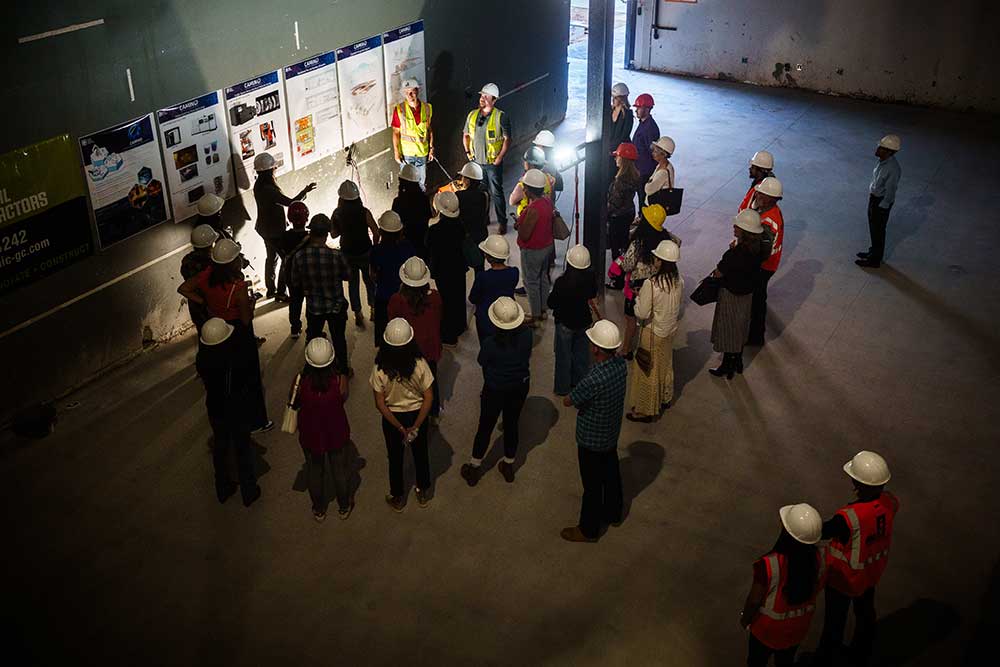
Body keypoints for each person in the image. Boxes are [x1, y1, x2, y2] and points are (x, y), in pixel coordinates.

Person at [178, 238, 272, 433]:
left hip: (219, 327)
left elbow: (183, 288)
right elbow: (245, 319)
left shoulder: (206, 275)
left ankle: (231, 416)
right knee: (250, 376)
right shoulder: (238, 287)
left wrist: (204, 302)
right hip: (239, 331)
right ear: (233, 262)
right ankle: (257, 422)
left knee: (229, 374)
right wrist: (251, 303)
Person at [816, 451, 899, 666]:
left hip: (843, 580)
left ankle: (825, 660)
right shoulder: (889, 502)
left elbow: (821, 531)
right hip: (870, 574)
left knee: (834, 624)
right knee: (865, 615)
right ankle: (861, 655)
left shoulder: (849, 517)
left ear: (858, 483)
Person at [561, 320, 628, 543]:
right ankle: (613, 512)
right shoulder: (621, 365)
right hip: (611, 432)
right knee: (611, 473)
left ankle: (588, 529)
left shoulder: (593, 379)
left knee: (591, 486)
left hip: (591, 439)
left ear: (596, 349)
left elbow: (569, 401)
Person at [740, 504, 827, 667]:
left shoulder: (769, 565)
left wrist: (745, 618)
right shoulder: (820, 559)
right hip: (798, 629)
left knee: (756, 662)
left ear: (787, 532)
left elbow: (754, 600)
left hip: (766, 632)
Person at [460, 297, 532, 486]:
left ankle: (474, 466)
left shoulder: (490, 343)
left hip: (494, 389)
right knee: (512, 424)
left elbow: (481, 361)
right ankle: (508, 464)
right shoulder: (527, 335)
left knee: (485, 426)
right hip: (519, 386)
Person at [371, 318, 435, 511]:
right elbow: (429, 397)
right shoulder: (420, 364)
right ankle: (422, 491)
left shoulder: (379, 368)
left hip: (393, 417)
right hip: (417, 414)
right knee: (421, 453)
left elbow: (379, 403)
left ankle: (398, 496)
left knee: (395, 456)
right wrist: (416, 425)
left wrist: (399, 426)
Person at [195, 318, 261, 507]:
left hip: (215, 407)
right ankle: (249, 491)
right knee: (243, 448)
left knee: (220, 446)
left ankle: (222, 488)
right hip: (237, 407)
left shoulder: (202, 360)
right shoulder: (235, 357)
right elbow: (247, 379)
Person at [292, 337, 352, 522]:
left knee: (314, 470)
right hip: (335, 430)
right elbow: (344, 398)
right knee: (339, 469)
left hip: (310, 432)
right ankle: (343, 506)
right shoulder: (340, 381)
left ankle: (319, 509)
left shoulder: (300, 381)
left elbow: (293, 401)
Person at [607, 204, 674, 357]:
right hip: (657, 284)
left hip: (636, 286)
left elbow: (628, 265)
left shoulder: (638, 242)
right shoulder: (666, 238)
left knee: (630, 318)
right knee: (648, 316)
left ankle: (626, 349)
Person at [287, 215, 351, 375]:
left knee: (314, 339)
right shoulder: (336, 255)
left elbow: (295, 282)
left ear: (311, 233)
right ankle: (343, 370)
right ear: (327, 234)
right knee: (339, 339)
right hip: (336, 306)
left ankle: (313, 371)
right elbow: (348, 275)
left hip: (314, 307)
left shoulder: (299, 256)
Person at [627, 240, 683, 422]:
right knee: (665, 365)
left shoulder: (651, 284)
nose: (654, 260)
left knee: (647, 372)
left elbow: (643, 314)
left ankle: (645, 410)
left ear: (661, 261)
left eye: (656, 257)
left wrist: (638, 299)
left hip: (652, 333)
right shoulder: (678, 281)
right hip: (670, 330)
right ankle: (665, 398)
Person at [708, 210, 765, 379]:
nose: (734, 226)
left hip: (731, 296)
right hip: (747, 296)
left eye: (737, 226)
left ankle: (727, 365)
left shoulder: (734, 255)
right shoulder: (759, 250)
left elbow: (719, 272)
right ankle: (738, 361)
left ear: (745, 232)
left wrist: (730, 252)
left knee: (728, 330)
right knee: (740, 328)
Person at [251, 152, 316, 299]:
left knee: (271, 258)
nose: (275, 169)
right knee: (286, 259)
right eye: (274, 168)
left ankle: (271, 290)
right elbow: (290, 203)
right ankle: (281, 292)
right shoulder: (269, 189)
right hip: (274, 231)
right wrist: (305, 191)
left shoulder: (259, 185)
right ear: (269, 170)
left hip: (264, 229)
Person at [389, 257, 443, 420]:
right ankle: (433, 412)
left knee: (408, 383)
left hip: (407, 348)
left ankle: (414, 411)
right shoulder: (435, 297)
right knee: (431, 380)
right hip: (430, 348)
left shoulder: (396, 300)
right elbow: (439, 319)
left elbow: (392, 324)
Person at [548, 245, 599, 396]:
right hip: (583, 321)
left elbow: (551, 303)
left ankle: (562, 388)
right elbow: (592, 294)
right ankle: (580, 385)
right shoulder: (590, 279)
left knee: (563, 356)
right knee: (582, 356)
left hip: (565, 323)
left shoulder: (562, 283)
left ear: (569, 263)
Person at [464, 83, 512, 233]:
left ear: (494, 99)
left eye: (486, 96)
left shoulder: (501, 117)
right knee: (481, 193)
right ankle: (484, 218)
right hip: (477, 162)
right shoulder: (472, 115)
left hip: (492, 164)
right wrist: (468, 152)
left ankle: (502, 221)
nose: (482, 98)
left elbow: (507, 139)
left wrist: (500, 157)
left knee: (496, 193)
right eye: (481, 95)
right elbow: (465, 135)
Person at [332, 180, 380, 328]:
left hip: (347, 254)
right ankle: (374, 309)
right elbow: (376, 232)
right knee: (370, 282)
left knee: (353, 284)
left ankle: (358, 313)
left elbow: (333, 234)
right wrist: (374, 248)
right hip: (365, 251)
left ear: (341, 197)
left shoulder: (337, 213)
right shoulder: (364, 211)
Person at [515, 169, 558, 326]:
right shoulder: (547, 202)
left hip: (533, 250)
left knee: (531, 281)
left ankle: (535, 316)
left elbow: (525, 235)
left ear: (528, 190)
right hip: (546, 246)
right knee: (543, 278)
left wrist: (518, 225)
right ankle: (543, 310)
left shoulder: (533, 209)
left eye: (525, 187)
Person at [425, 191, 467, 345]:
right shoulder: (460, 225)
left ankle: (449, 335)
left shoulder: (434, 230)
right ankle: (461, 325)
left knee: (447, 300)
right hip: (458, 266)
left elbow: (427, 244)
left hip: (442, 269)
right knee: (459, 296)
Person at [370, 211, 417, 347]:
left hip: (383, 296)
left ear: (381, 231)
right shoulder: (408, 247)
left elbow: (373, 275)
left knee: (383, 331)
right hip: (405, 295)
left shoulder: (376, 251)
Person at [748, 176, 784, 346]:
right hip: (769, 264)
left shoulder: (769, 221)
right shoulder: (770, 210)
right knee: (758, 297)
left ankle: (756, 336)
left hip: (764, 266)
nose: (758, 196)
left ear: (772, 198)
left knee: (757, 300)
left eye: (762, 194)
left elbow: (762, 251)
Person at [856, 135, 902, 269]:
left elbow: (891, 190)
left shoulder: (893, 169)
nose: (877, 149)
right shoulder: (882, 161)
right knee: (874, 229)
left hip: (881, 203)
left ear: (889, 151)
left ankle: (875, 260)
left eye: (881, 147)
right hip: (875, 199)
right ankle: (873, 252)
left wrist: (883, 206)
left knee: (879, 231)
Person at [469, 235, 519, 342]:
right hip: (508, 315)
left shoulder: (483, 277)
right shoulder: (514, 272)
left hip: (485, 318)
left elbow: (473, 298)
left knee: (487, 345)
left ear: (488, 257)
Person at [606, 142, 642, 283]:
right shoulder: (635, 176)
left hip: (617, 218)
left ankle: (618, 279)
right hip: (628, 213)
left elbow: (614, 203)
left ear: (623, 160)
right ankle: (625, 274)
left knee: (617, 249)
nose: (615, 159)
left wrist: (605, 214)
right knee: (624, 245)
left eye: (617, 156)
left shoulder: (620, 181)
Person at [391, 78, 434, 188]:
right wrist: (396, 152)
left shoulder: (427, 108)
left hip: (422, 153)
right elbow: (396, 132)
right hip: (407, 154)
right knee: (407, 185)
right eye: (406, 92)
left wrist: (431, 148)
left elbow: (429, 129)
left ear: (417, 91)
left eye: (412, 91)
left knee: (421, 183)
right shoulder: (399, 109)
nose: (409, 95)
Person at [180, 224, 219, 332]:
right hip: (212, 305)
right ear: (210, 244)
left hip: (195, 305)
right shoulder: (212, 262)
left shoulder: (187, 260)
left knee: (204, 335)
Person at [279, 201, 310, 339]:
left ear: (289, 219)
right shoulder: (310, 237)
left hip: (291, 274)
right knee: (311, 301)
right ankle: (312, 328)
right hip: (307, 275)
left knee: (295, 302)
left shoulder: (285, 236)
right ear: (306, 218)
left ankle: (295, 328)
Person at [455, 162, 491, 273]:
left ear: (468, 180)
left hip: (465, 236)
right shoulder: (485, 195)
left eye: (463, 177)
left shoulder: (459, 196)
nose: (461, 180)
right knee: (479, 266)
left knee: (461, 266)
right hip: (480, 235)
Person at [392, 164, 433, 258]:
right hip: (422, 242)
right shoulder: (424, 200)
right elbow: (428, 219)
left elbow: (395, 225)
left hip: (405, 245)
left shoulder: (398, 202)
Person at [509, 147, 556, 217]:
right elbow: (552, 198)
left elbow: (512, 202)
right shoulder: (549, 178)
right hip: (546, 214)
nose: (524, 163)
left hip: (529, 218)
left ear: (531, 164)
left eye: (525, 161)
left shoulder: (523, 184)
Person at [631, 93, 660, 185]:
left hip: (644, 172)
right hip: (639, 169)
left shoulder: (650, 128)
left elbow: (653, 153)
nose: (636, 110)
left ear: (647, 109)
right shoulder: (643, 124)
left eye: (639, 108)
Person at [608, 83, 635, 178]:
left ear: (622, 98)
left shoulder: (628, 115)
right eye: (613, 97)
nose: (613, 100)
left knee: (617, 175)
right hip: (609, 151)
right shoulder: (610, 111)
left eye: (615, 98)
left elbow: (624, 135)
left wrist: (611, 148)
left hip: (620, 152)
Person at [643, 136, 677, 207]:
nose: (653, 153)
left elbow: (649, 190)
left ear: (663, 154)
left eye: (655, 151)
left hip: (655, 208)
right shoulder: (666, 165)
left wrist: (647, 184)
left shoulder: (663, 172)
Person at [532, 129, 565, 195]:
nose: (536, 147)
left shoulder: (546, 164)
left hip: (541, 194)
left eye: (537, 145)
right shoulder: (549, 159)